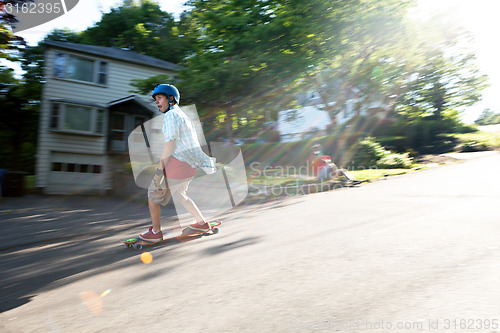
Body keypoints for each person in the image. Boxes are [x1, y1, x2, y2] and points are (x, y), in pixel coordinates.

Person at [139, 84, 215, 243]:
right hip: (189, 164)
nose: (157, 102)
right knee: (180, 194)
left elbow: (170, 143)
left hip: (178, 163)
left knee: (153, 195)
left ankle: (156, 232)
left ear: (171, 98)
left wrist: (159, 172)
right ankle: (201, 223)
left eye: (160, 98)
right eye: (155, 99)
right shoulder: (184, 116)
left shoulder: (171, 116)